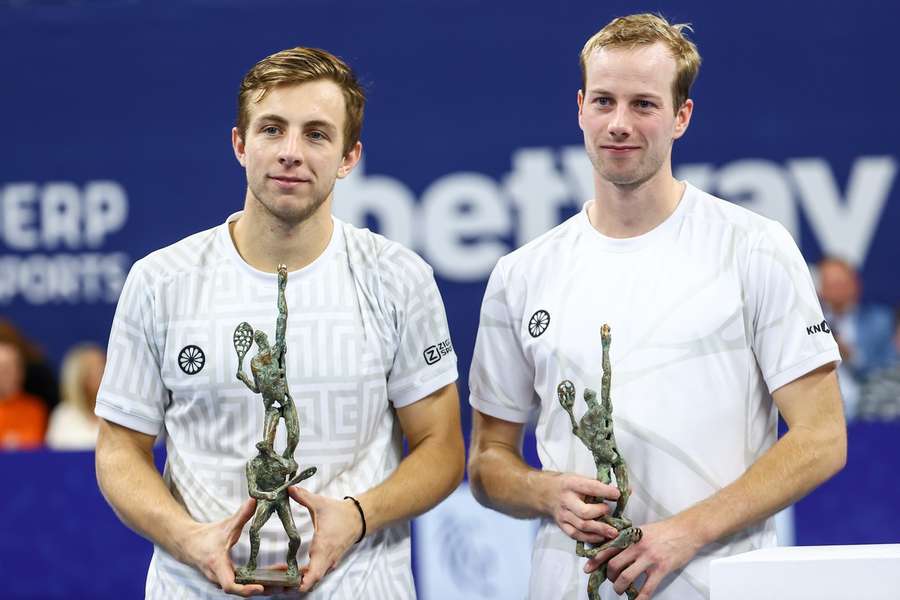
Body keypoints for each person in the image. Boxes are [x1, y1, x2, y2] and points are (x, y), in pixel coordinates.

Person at [467, 13, 846, 600]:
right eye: (604, 101)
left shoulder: (754, 247)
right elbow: (489, 460)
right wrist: (543, 492)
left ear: (681, 116)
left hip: (719, 585)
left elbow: (822, 438)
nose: (619, 124)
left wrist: (684, 533)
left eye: (644, 104)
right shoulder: (522, 274)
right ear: (580, 108)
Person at [94, 47, 464, 599]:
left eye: (316, 134)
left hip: (361, 585)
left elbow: (442, 447)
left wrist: (358, 517)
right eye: (272, 130)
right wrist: (190, 538)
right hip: (194, 586)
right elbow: (119, 448)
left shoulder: (398, 279)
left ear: (348, 157)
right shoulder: (160, 282)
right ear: (240, 143)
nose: (291, 152)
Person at [46, 343, 106, 450]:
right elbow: (54, 459)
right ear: (79, 377)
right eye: (98, 369)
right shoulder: (63, 415)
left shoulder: (117, 416)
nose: (105, 373)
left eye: (105, 366)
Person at [0, 339, 47, 449]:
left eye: (10, 368)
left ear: (20, 372)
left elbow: (36, 444)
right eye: (2, 369)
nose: (5, 374)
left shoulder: (35, 409)